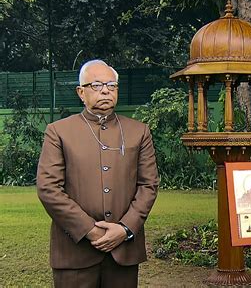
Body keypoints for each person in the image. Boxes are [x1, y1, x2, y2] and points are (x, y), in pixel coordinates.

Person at [36, 59, 159, 287]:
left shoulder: (138, 131)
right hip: (74, 252)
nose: (105, 90)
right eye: (97, 85)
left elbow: (148, 186)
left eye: (111, 85)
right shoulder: (59, 132)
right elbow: (48, 189)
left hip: (124, 252)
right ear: (81, 92)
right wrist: (90, 230)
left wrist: (125, 228)